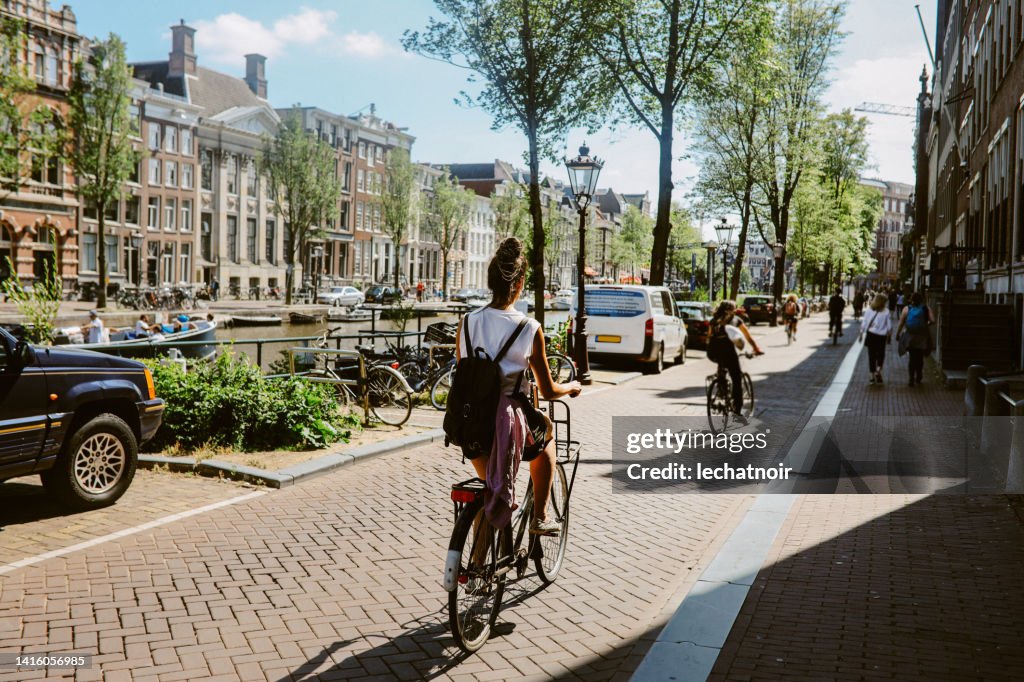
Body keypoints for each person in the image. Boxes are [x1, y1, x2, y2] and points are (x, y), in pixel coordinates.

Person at [455, 237, 581, 536]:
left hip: (468, 422)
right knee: (546, 435)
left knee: (488, 489)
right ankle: (540, 517)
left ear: (490, 282)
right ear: (520, 283)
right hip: (507, 422)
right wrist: (571, 386)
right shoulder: (529, 328)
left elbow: (464, 370)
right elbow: (548, 391)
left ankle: (476, 560)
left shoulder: (467, 322)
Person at [708, 300, 764, 423]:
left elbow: (709, 337)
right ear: (732, 310)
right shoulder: (735, 320)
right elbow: (748, 337)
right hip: (729, 353)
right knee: (737, 379)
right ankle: (737, 413)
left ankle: (721, 390)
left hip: (713, 352)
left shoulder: (713, 320)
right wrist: (756, 348)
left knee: (722, 367)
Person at [895, 291, 934, 386]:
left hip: (910, 336)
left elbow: (901, 323)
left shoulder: (907, 308)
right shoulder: (926, 308)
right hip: (922, 336)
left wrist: (897, 334)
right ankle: (919, 376)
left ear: (911, 300)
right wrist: (925, 325)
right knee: (920, 357)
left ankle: (911, 378)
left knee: (912, 357)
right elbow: (933, 320)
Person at [859, 292, 892, 384]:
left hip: (871, 335)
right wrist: (889, 336)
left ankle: (871, 376)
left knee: (871, 355)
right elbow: (889, 326)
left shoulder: (869, 310)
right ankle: (878, 369)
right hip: (881, 336)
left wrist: (861, 333)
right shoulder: (886, 311)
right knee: (881, 354)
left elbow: (865, 322)